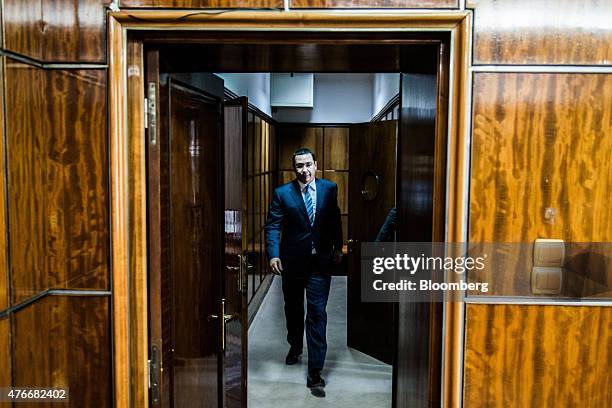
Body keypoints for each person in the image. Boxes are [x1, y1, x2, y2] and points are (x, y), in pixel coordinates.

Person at [264, 147, 343, 395]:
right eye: (299, 166)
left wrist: (338, 246)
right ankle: (295, 344)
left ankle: (315, 372)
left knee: (317, 313)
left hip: (320, 263)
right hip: (293, 263)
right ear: (294, 168)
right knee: (294, 309)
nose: (304, 170)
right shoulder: (282, 194)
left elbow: (335, 219)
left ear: (315, 165)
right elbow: (273, 225)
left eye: (308, 164)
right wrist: (274, 253)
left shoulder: (329, 189)